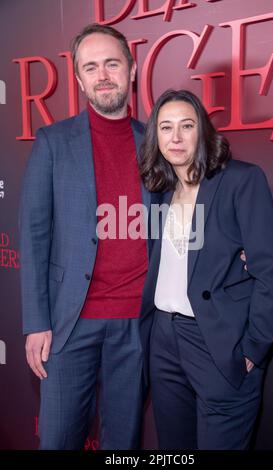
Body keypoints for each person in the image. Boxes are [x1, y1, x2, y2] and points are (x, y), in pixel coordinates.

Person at [19, 23, 150, 450]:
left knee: (123, 445)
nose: (103, 75)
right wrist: (37, 321)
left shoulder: (157, 143)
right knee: (57, 440)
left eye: (112, 63)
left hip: (136, 322)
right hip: (68, 323)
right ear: (78, 79)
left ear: (131, 70)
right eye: (90, 67)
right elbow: (35, 236)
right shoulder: (53, 143)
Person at [139, 89, 273, 449]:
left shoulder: (240, 181)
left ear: (202, 131)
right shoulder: (159, 188)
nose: (175, 137)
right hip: (163, 340)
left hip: (216, 342)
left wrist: (252, 349)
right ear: (155, 137)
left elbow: (270, 272)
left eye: (186, 126)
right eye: (165, 127)